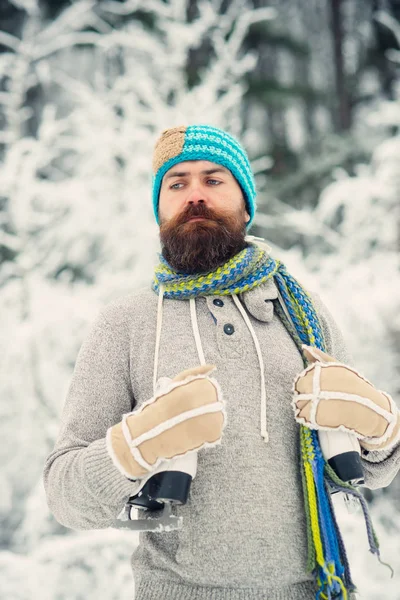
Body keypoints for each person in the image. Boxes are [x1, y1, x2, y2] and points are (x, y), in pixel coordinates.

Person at [43, 124, 400, 600]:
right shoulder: (124, 324)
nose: (195, 195)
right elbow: (65, 497)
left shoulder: (304, 314)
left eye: (213, 180)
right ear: (159, 210)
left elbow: (371, 470)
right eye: (177, 183)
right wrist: (131, 448)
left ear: (246, 204)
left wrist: (382, 428)